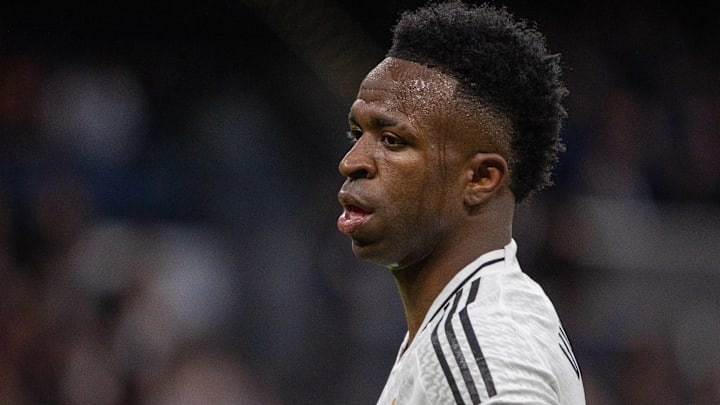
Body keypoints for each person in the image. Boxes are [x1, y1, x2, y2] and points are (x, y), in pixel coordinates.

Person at [336, 1, 586, 404]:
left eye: (392, 140)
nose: (352, 162)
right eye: (356, 134)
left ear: (481, 179)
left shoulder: (480, 341)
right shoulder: (470, 319)